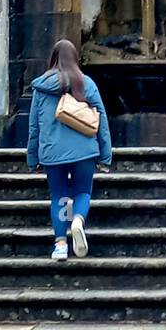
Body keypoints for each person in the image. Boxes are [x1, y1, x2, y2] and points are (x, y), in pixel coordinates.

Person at [27, 39, 112, 261]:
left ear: (53, 58)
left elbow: (34, 127)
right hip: (84, 150)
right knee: (82, 191)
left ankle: (61, 245)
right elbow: (101, 121)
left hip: (52, 152)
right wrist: (105, 155)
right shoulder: (86, 83)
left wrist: (32, 158)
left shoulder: (40, 87)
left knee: (60, 196)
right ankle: (78, 221)